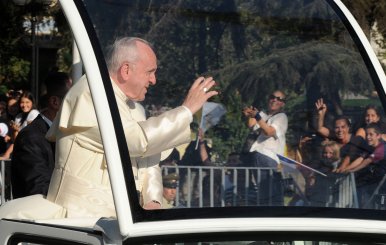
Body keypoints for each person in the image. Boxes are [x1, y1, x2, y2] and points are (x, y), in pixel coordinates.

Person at [0, 37, 218, 219]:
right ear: (125, 70)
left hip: (120, 220)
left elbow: (149, 158)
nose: (154, 80)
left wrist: (153, 199)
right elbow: (136, 141)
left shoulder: (134, 107)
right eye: (150, 72)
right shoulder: (91, 94)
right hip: (79, 220)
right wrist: (186, 110)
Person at [11, 72, 71, 198]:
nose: (78, 106)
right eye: (72, 99)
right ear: (55, 102)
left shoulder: (62, 134)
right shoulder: (30, 138)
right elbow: (39, 190)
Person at [314, 98, 370, 173]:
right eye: (337, 128)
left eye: (343, 127)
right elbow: (320, 129)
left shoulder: (356, 140)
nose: (340, 130)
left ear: (348, 128)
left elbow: (348, 158)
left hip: (356, 176)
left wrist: (340, 169)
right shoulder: (334, 137)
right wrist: (321, 114)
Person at [242, 90, 288, 167]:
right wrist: (249, 114)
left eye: (278, 99)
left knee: (264, 179)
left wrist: (257, 117)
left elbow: (269, 132)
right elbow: (251, 124)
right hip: (253, 153)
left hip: (267, 156)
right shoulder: (263, 114)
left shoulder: (282, 117)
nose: (274, 100)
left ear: (283, 104)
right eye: (272, 97)